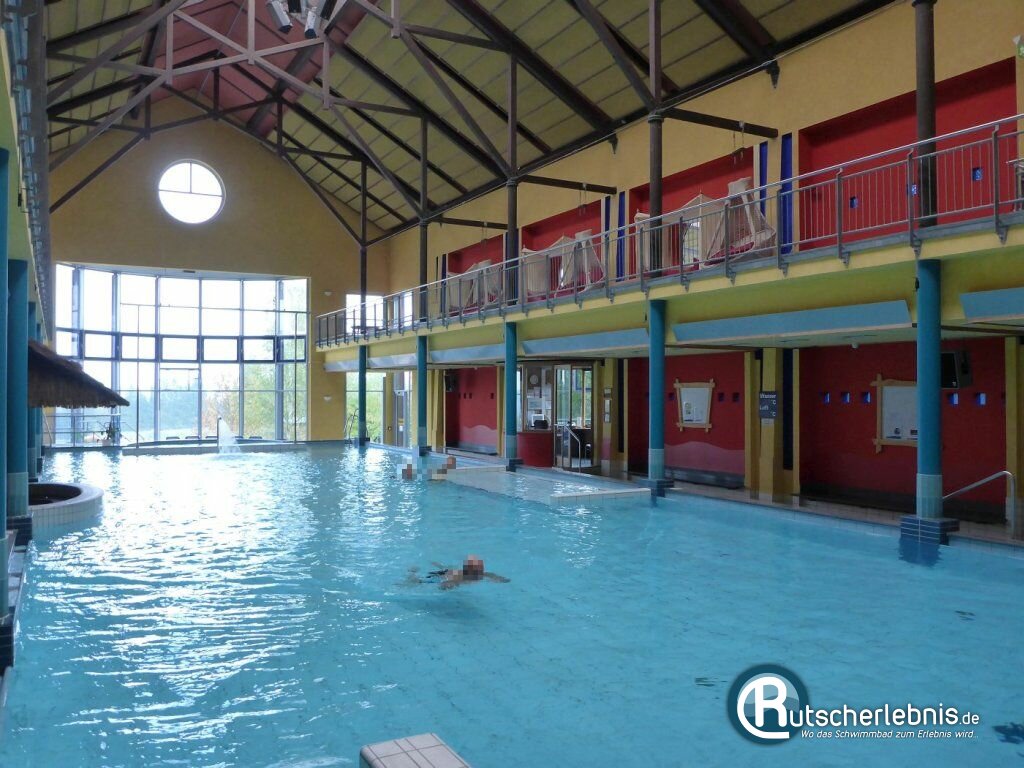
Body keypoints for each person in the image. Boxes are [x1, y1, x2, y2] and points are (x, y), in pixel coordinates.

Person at [411, 555, 509, 590]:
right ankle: (413, 572)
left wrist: (501, 579)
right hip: (443, 576)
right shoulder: (459, 579)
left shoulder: (480, 574)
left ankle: (416, 572)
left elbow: (491, 575)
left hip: (447, 572)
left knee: (446, 569)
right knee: (418, 581)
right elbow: (445, 584)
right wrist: (446, 586)